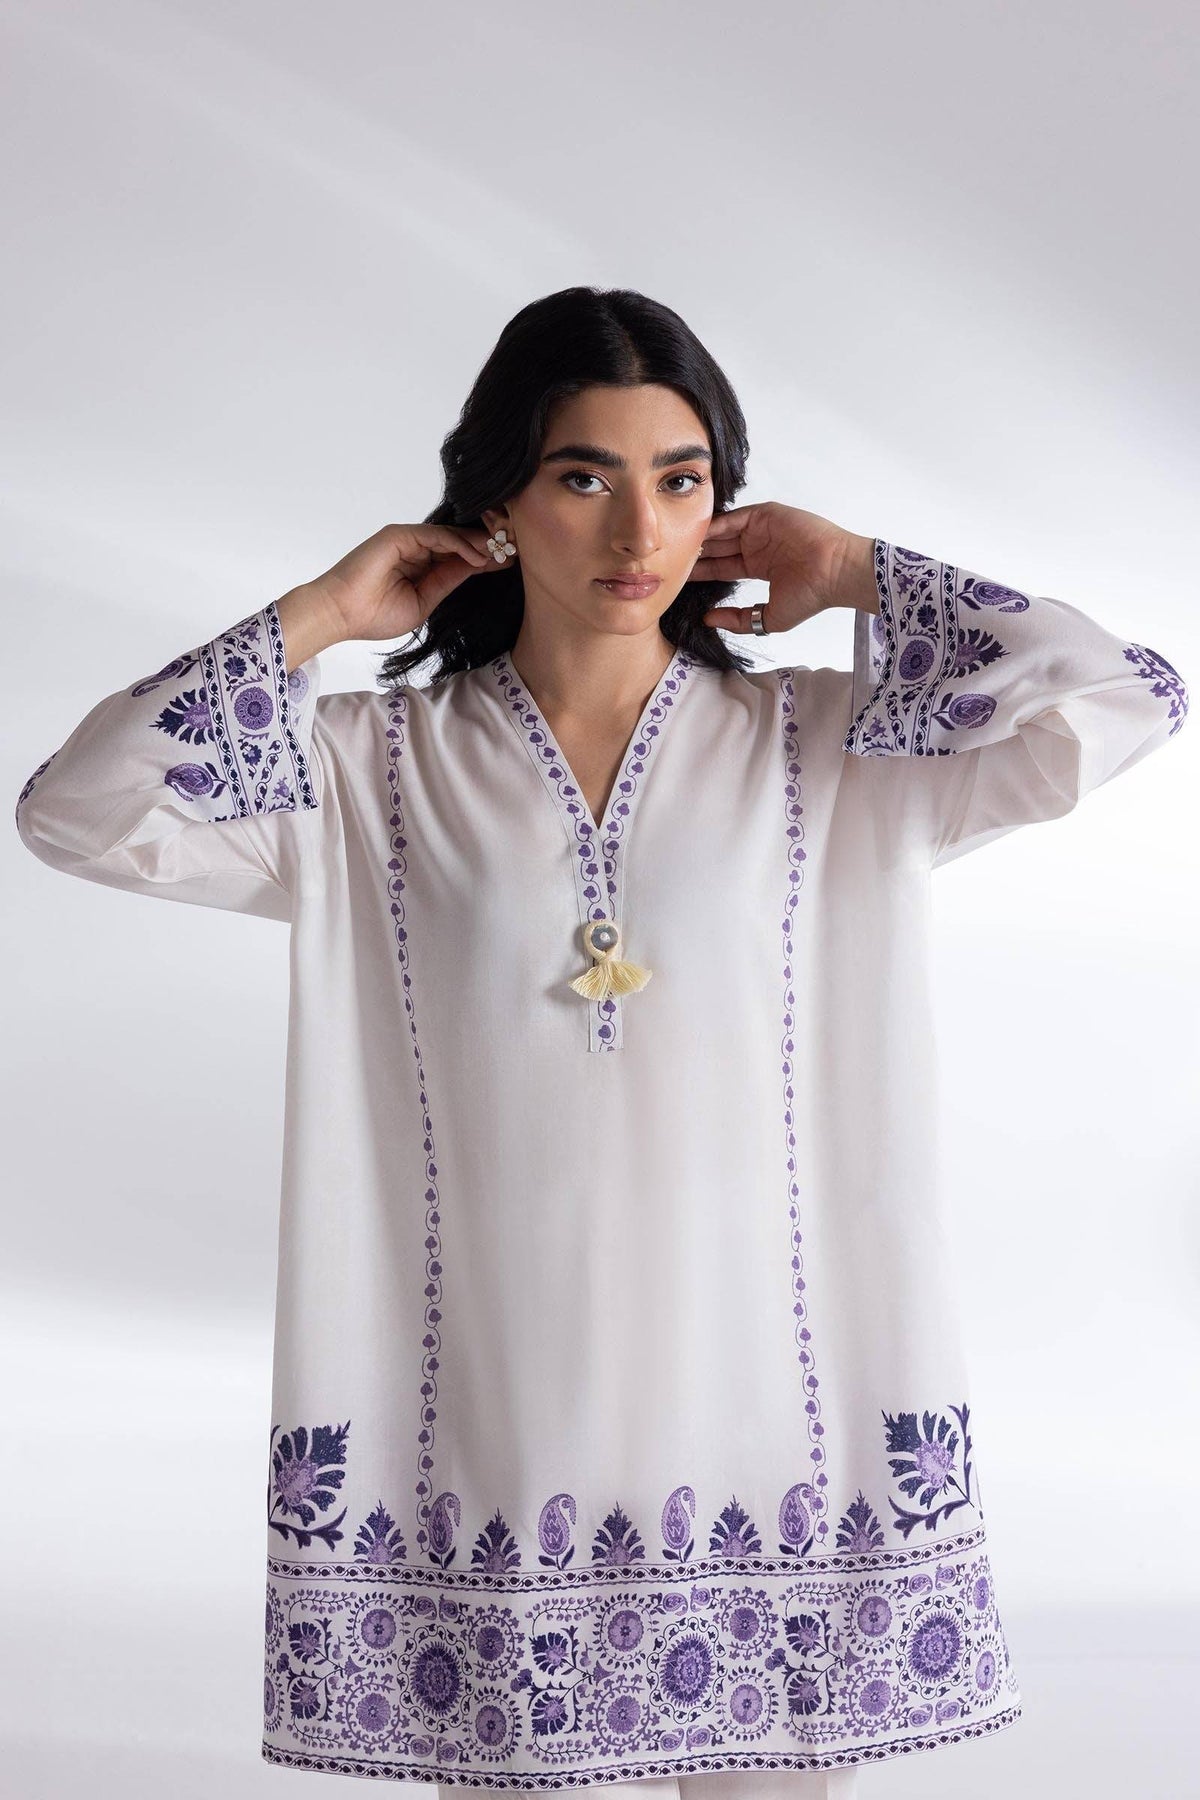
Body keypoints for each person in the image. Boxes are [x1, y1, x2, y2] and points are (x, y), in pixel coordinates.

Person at [14, 286, 1188, 1796]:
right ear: (496, 501)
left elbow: (1129, 699)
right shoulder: (370, 772)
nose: (639, 530)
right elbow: (76, 812)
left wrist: (861, 572)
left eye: (681, 479)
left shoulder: (835, 754)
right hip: (497, 1443)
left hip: (774, 1441)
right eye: (584, 476)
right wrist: (319, 616)